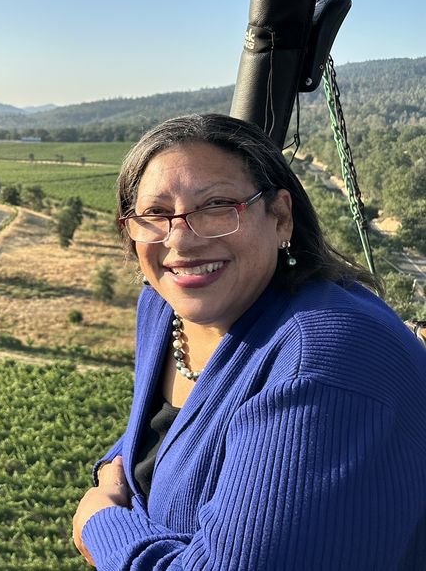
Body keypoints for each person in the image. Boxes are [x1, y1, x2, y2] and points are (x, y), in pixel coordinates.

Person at [72, 113, 426, 570]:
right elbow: (156, 438)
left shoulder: (323, 361)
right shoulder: (164, 308)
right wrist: (110, 468)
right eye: (156, 214)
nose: (181, 239)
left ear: (280, 217)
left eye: (217, 205)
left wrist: (102, 524)